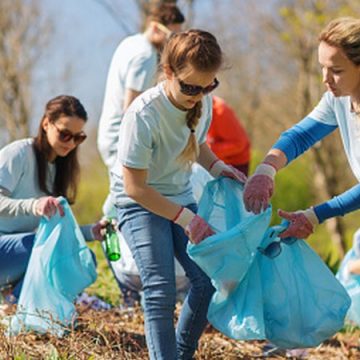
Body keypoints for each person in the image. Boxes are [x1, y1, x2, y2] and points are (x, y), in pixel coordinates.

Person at [110, 29, 247, 359]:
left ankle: (180, 354)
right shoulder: (144, 114)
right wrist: (186, 218)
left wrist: (219, 168)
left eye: (207, 86)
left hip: (179, 195)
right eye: (189, 87)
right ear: (168, 72)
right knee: (160, 288)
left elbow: (197, 145)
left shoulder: (203, 103)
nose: (197, 95)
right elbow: (134, 187)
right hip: (138, 203)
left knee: (206, 281)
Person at [97, 3, 186, 307]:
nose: (173, 44)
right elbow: (132, 109)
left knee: (120, 204)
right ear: (157, 27)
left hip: (109, 137)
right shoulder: (146, 55)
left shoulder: (129, 43)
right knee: (119, 207)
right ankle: (125, 283)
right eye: (172, 37)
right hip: (121, 140)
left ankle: (127, 279)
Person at [243, 17, 360, 241]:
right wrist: (266, 170)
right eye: (322, 68)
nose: (325, 79)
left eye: (336, 70)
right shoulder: (338, 100)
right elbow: (300, 136)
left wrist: (314, 216)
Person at [0, 95, 107, 308]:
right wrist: (34, 204)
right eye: (65, 134)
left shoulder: (59, 169)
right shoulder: (19, 153)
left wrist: (90, 232)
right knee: (42, 246)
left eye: (78, 137)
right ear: (46, 123)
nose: (71, 143)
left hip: (22, 251)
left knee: (84, 259)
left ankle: (16, 304)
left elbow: (57, 229)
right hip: (6, 248)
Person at [207, 95, 251, 176]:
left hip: (235, 164)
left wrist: (209, 150)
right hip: (214, 161)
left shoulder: (220, 110)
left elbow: (239, 144)